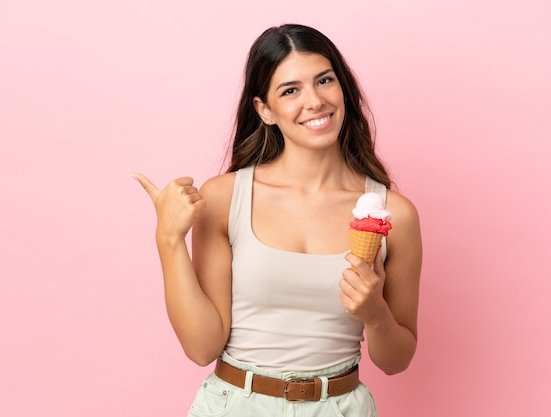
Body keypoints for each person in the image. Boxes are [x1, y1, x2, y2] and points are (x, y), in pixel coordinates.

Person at [133, 23, 422, 417]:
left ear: (344, 89)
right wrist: (168, 240)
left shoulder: (395, 215)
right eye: (291, 90)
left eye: (324, 80)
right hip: (236, 405)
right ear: (264, 109)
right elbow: (202, 347)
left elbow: (396, 360)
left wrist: (375, 314)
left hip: (340, 407)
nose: (315, 100)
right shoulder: (224, 198)